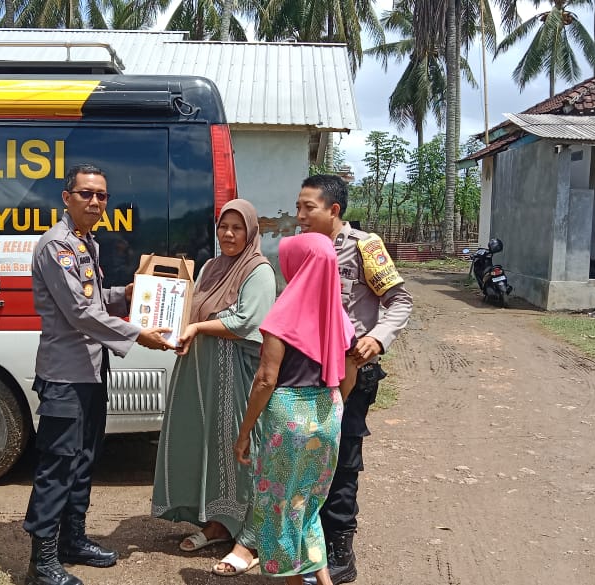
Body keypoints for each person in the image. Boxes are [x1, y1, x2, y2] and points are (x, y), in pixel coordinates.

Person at [24, 163, 174, 585]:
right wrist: (138, 334)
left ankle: (72, 540)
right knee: (58, 466)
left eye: (101, 195)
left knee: (83, 460)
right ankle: (42, 561)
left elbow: (91, 298)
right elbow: (77, 312)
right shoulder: (57, 246)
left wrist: (125, 294)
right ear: (66, 197)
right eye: (86, 193)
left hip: (90, 372)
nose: (94, 201)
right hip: (65, 376)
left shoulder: (86, 242)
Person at [296, 174, 413, 584]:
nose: (300, 215)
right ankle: (307, 546)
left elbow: (400, 301)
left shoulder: (365, 246)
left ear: (333, 210)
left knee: (343, 461)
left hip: (352, 373)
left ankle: (340, 552)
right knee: (311, 458)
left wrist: (376, 339)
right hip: (309, 373)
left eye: (308, 207)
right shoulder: (305, 249)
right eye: (298, 207)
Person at [150, 199, 276, 576]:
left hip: (235, 372)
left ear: (250, 232)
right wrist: (174, 326)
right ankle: (220, 522)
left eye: (237, 228)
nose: (229, 234)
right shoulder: (210, 266)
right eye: (224, 227)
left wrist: (197, 327)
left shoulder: (259, 271)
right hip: (200, 370)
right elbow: (191, 306)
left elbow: (246, 321)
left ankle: (250, 538)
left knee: (241, 448)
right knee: (207, 444)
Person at [234, 232, 359, 585]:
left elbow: (265, 379)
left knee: (278, 507)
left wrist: (244, 433)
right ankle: (323, 580)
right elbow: (349, 372)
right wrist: (333, 406)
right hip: (328, 412)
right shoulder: (339, 316)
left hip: (288, 417)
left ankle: (293, 581)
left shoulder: (282, 315)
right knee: (307, 504)